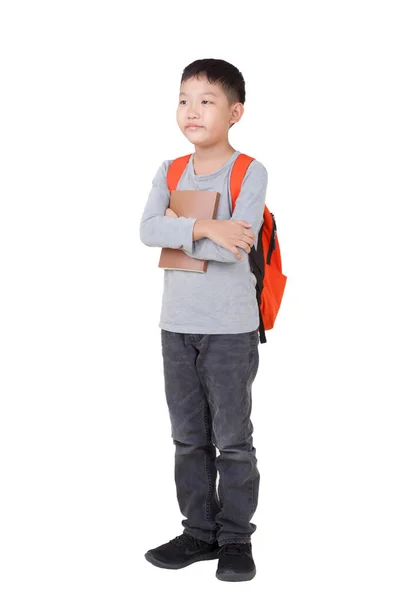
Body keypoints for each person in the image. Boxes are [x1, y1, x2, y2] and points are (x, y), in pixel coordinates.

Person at [139, 58, 268, 582]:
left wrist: (182, 226)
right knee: (188, 436)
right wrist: (210, 225)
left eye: (206, 100)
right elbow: (148, 231)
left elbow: (238, 247)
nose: (191, 110)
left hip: (231, 329)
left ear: (235, 112)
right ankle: (198, 531)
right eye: (184, 99)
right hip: (177, 325)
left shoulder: (249, 171)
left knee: (233, 438)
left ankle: (236, 538)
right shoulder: (168, 171)